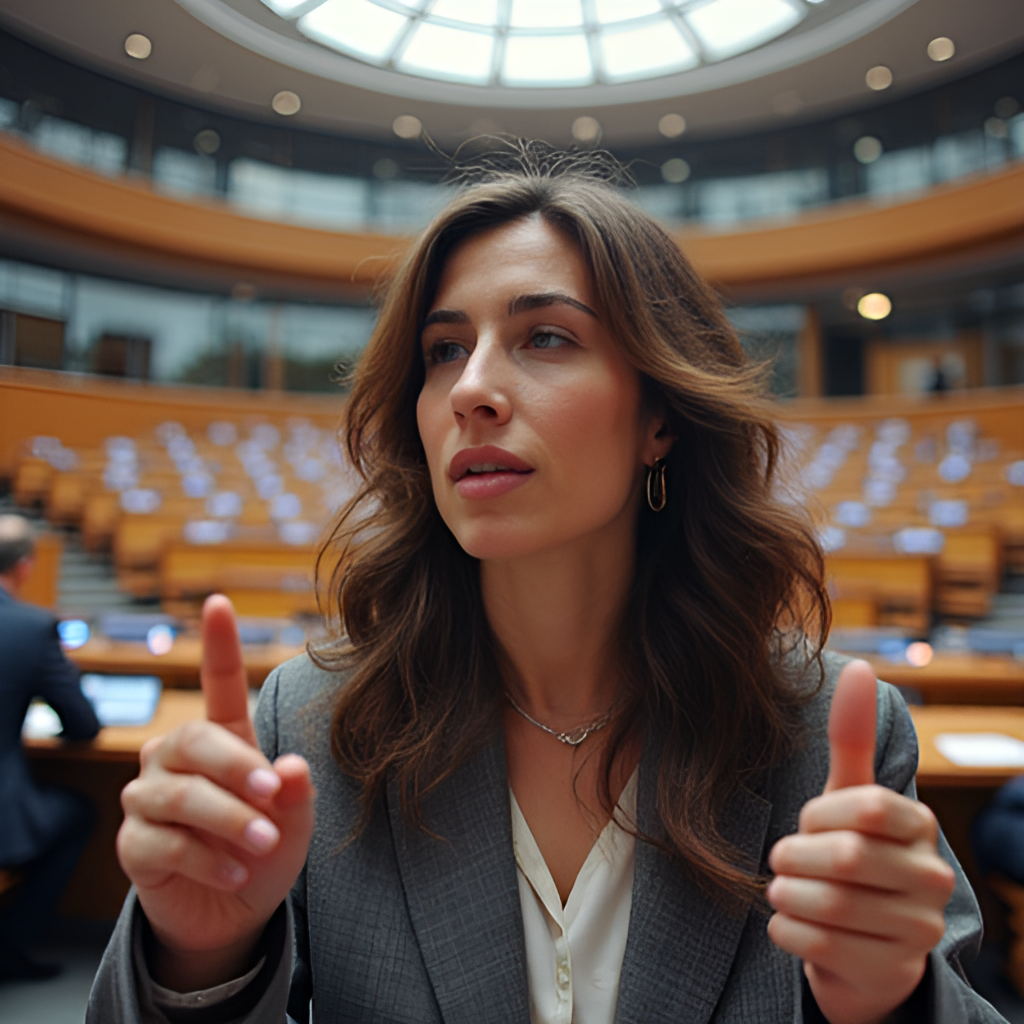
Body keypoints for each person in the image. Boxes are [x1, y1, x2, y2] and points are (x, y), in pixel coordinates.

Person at [88, 144, 1004, 1023]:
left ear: (659, 418)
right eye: (444, 350)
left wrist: (891, 1004)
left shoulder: (826, 734)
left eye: (546, 336)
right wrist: (198, 963)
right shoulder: (311, 725)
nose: (471, 389)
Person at [0, 513, 99, 982]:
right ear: (24, 568)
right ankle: (12, 943)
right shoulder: (31, 626)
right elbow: (82, 726)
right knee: (80, 810)